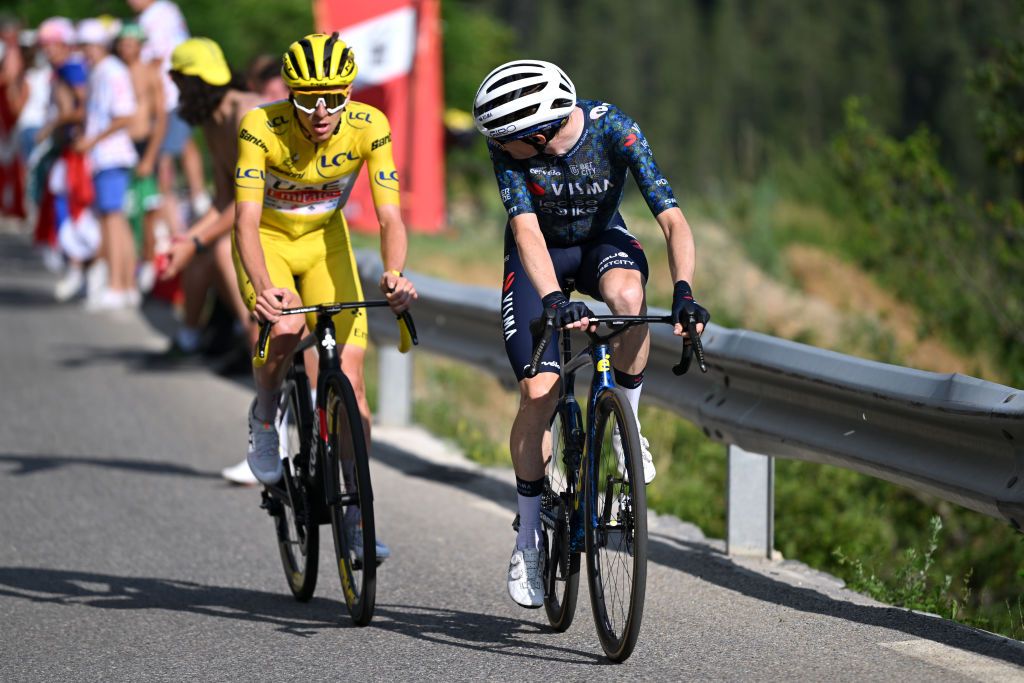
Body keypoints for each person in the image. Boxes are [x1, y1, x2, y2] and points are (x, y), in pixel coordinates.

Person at [471, 60, 710, 608]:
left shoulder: (614, 129)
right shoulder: (510, 146)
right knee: (538, 391)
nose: (499, 148)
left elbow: (672, 218)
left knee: (629, 300)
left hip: (603, 241)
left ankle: (626, 422)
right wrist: (554, 298)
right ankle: (528, 536)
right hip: (540, 256)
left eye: (507, 140)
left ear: (538, 131)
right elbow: (525, 229)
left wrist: (685, 290)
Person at [233, 33, 416, 558]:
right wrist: (264, 288)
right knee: (286, 325)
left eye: (334, 98)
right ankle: (265, 412)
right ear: (288, 93)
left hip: (325, 244)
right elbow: (245, 220)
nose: (320, 111)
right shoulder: (260, 126)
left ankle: (357, 518)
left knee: (353, 388)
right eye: (307, 98)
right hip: (268, 241)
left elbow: (389, 216)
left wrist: (396, 272)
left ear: (349, 92)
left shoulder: (369, 126)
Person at [74, 18, 138, 309]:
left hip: (111, 155)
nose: (84, 51)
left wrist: (92, 140)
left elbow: (124, 114)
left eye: (86, 45)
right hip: (105, 157)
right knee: (115, 221)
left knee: (113, 221)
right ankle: (124, 285)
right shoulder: (101, 70)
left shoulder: (111, 70)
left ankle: (118, 285)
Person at [114, 21, 165, 294]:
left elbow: (161, 118)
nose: (126, 49)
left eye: (130, 44)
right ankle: (127, 267)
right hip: (121, 147)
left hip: (144, 146)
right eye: (122, 44)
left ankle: (147, 263)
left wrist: (151, 155)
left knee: (147, 210)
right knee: (124, 210)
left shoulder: (149, 74)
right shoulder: (115, 72)